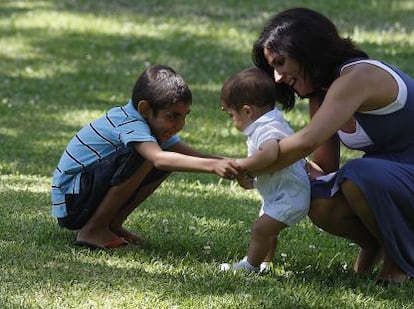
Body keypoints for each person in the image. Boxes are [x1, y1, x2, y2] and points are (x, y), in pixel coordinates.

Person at [252, 7, 414, 283]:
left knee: (360, 175)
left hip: (400, 175)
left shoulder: (357, 77)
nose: (277, 77)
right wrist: (285, 170)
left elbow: (307, 140)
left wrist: (249, 166)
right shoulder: (321, 95)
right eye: (272, 68)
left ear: (306, 50)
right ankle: (376, 244)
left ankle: (399, 263)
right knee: (318, 199)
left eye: (280, 62)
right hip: (397, 182)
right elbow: (323, 169)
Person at [51, 64, 242, 249]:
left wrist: (231, 163)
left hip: (83, 196)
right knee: (148, 157)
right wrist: (213, 167)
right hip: (73, 202)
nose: (181, 124)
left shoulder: (148, 127)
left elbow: (190, 154)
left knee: (165, 157)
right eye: (173, 116)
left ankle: (111, 225)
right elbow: (158, 158)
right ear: (144, 109)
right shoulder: (131, 123)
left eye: (184, 116)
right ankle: (93, 230)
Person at [220, 67, 310, 273]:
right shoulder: (269, 122)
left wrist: (241, 165)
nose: (232, 121)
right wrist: (249, 176)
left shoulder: (265, 128)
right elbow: (267, 164)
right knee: (268, 231)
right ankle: (265, 263)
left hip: (290, 195)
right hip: (280, 192)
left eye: (231, 115)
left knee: (260, 229)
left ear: (247, 111)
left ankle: (249, 266)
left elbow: (269, 154)